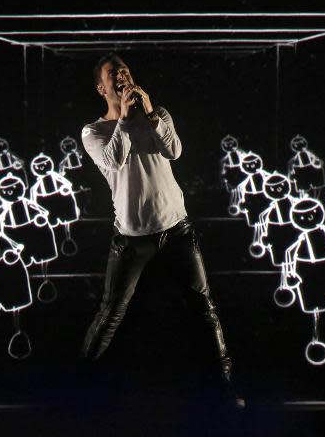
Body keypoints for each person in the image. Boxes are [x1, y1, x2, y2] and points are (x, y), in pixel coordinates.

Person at [79, 53, 244, 408]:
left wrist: (150, 113)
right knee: (111, 314)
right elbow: (112, 160)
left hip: (177, 228)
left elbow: (175, 150)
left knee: (204, 307)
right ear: (100, 87)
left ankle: (225, 390)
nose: (122, 75)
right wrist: (123, 117)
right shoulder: (94, 131)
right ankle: (77, 391)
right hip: (132, 238)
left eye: (125, 70)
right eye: (113, 73)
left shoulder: (158, 117)